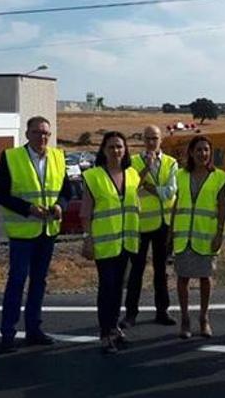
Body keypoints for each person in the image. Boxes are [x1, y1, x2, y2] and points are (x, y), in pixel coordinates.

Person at [0, 116, 74, 353]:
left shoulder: (58, 157)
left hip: (47, 231)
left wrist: (60, 205)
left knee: (39, 282)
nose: (43, 137)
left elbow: (66, 191)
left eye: (46, 133)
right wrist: (28, 209)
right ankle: (8, 333)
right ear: (27, 134)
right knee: (17, 282)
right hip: (22, 233)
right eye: (37, 132)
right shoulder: (12, 157)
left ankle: (33, 329)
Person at [80, 131, 141, 354]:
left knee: (118, 289)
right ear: (103, 150)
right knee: (107, 288)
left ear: (125, 150)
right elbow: (86, 212)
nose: (116, 151)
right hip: (105, 244)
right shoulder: (93, 176)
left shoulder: (133, 174)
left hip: (126, 242)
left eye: (120, 147)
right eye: (111, 147)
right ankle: (105, 333)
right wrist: (88, 239)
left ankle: (114, 327)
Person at [169, 136, 225, 339]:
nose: (203, 154)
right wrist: (171, 232)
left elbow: (222, 207)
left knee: (205, 278)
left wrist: (220, 232)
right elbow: (176, 205)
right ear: (191, 153)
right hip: (183, 236)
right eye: (199, 150)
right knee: (182, 278)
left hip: (206, 236)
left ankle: (204, 319)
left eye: (206, 150)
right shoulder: (180, 175)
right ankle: (185, 320)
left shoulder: (220, 176)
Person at [122, 125, 178, 327]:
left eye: (155, 138)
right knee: (136, 271)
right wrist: (146, 169)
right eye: (148, 138)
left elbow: (169, 192)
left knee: (161, 270)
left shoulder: (171, 163)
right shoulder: (134, 163)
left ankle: (162, 311)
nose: (151, 142)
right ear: (142, 140)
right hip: (141, 224)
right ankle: (130, 314)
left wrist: (148, 186)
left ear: (161, 140)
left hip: (163, 224)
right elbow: (131, 187)